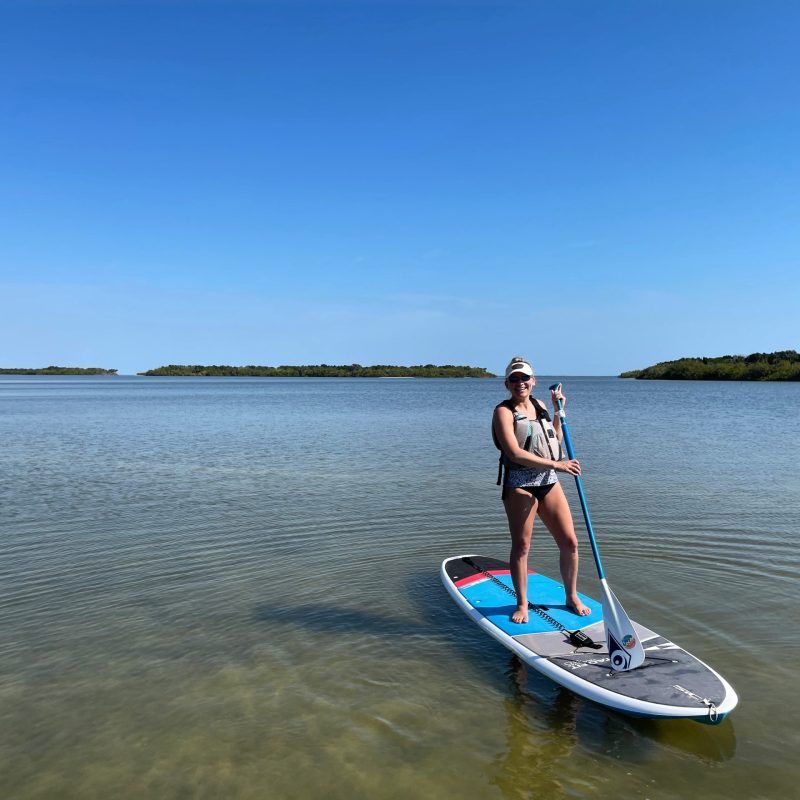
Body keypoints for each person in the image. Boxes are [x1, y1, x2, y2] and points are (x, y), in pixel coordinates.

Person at [492, 356, 590, 623]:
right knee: (522, 546)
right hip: (520, 484)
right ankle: (522, 604)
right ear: (507, 384)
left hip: (548, 480)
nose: (520, 383)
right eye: (514, 379)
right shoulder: (503, 411)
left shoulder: (541, 405)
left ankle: (571, 596)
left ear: (533, 381)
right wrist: (557, 465)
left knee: (570, 542)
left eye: (524, 378)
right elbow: (514, 452)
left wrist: (559, 412)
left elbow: (553, 440)